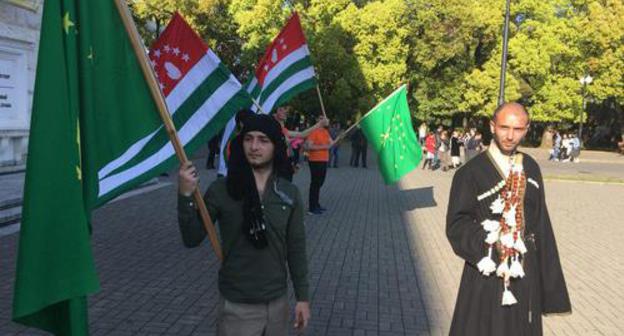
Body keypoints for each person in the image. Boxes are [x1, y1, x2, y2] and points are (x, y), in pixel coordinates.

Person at [177, 114, 310, 335]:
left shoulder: (289, 193)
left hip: (278, 305)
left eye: (263, 140)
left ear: (275, 146)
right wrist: (185, 195)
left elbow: (296, 249)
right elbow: (191, 238)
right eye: (248, 139)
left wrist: (303, 298)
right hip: (237, 308)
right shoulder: (222, 190)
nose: (254, 146)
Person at [446, 102, 571, 336]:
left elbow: (541, 224)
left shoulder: (531, 167)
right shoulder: (470, 172)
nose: (510, 136)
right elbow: (456, 225)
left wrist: (549, 286)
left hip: (525, 273)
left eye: (518, 129)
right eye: (504, 127)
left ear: (527, 129)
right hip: (486, 273)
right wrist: (491, 242)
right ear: (492, 126)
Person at [273, 105, 328, 180]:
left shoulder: (283, 129)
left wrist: (319, 124)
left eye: (286, 110)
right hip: (278, 165)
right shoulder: (273, 128)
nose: (285, 112)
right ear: (275, 113)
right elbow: (288, 141)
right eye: (281, 110)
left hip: (285, 162)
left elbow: (302, 134)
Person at [305, 116, 334, 215]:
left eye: (325, 118)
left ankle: (316, 204)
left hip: (324, 160)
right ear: (317, 120)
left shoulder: (325, 132)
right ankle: (312, 208)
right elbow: (309, 146)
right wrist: (324, 147)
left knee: (320, 183)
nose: (324, 119)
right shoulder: (313, 131)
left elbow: (331, 143)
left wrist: (340, 138)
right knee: (315, 183)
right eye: (321, 118)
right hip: (315, 160)